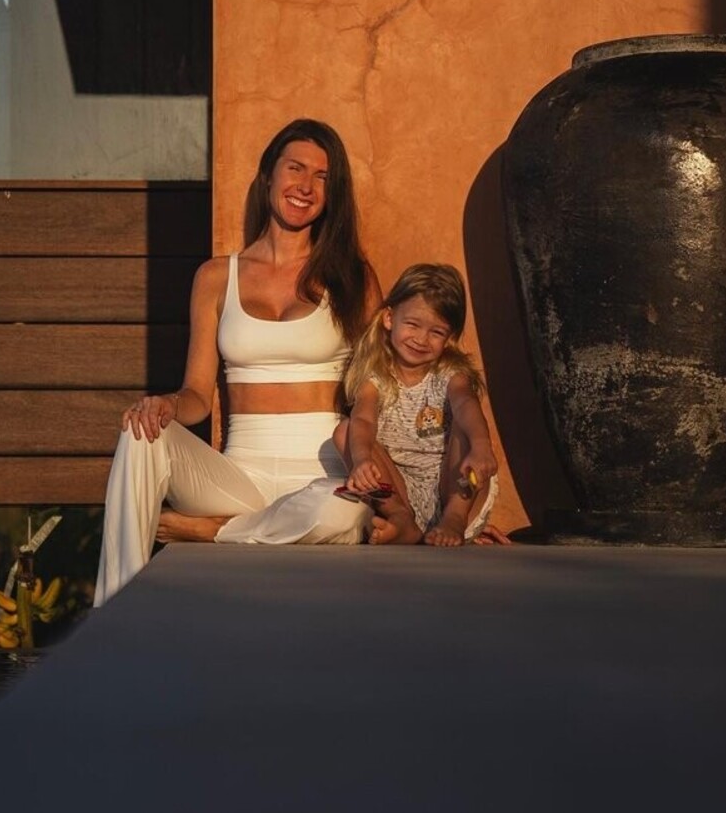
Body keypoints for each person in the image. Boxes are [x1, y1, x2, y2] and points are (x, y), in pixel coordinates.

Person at [93, 118, 383, 605]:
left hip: (322, 477)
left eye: (322, 177)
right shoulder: (215, 277)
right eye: (295, 169)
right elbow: (197, 396)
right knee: (140, 433)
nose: (306, 186)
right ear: (268, 176)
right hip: (239, 477)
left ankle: (216, 531)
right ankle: (117, 608)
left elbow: (379, 384)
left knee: (343, 514)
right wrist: (165, 405)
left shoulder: (353, 278)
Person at [333, 262, 507, 546]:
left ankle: (453, 519)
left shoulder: (451, 375)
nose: (421, 339)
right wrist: (362, 459)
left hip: (458, 489)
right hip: (398, 493)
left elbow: (466, 404)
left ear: (448, 338)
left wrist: (482, 447)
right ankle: (401, 519)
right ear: (389, 318)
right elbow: (364, 420)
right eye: (412, 325)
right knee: (346, 430)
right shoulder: (375, 376)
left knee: (465, 427)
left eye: (436, 332)